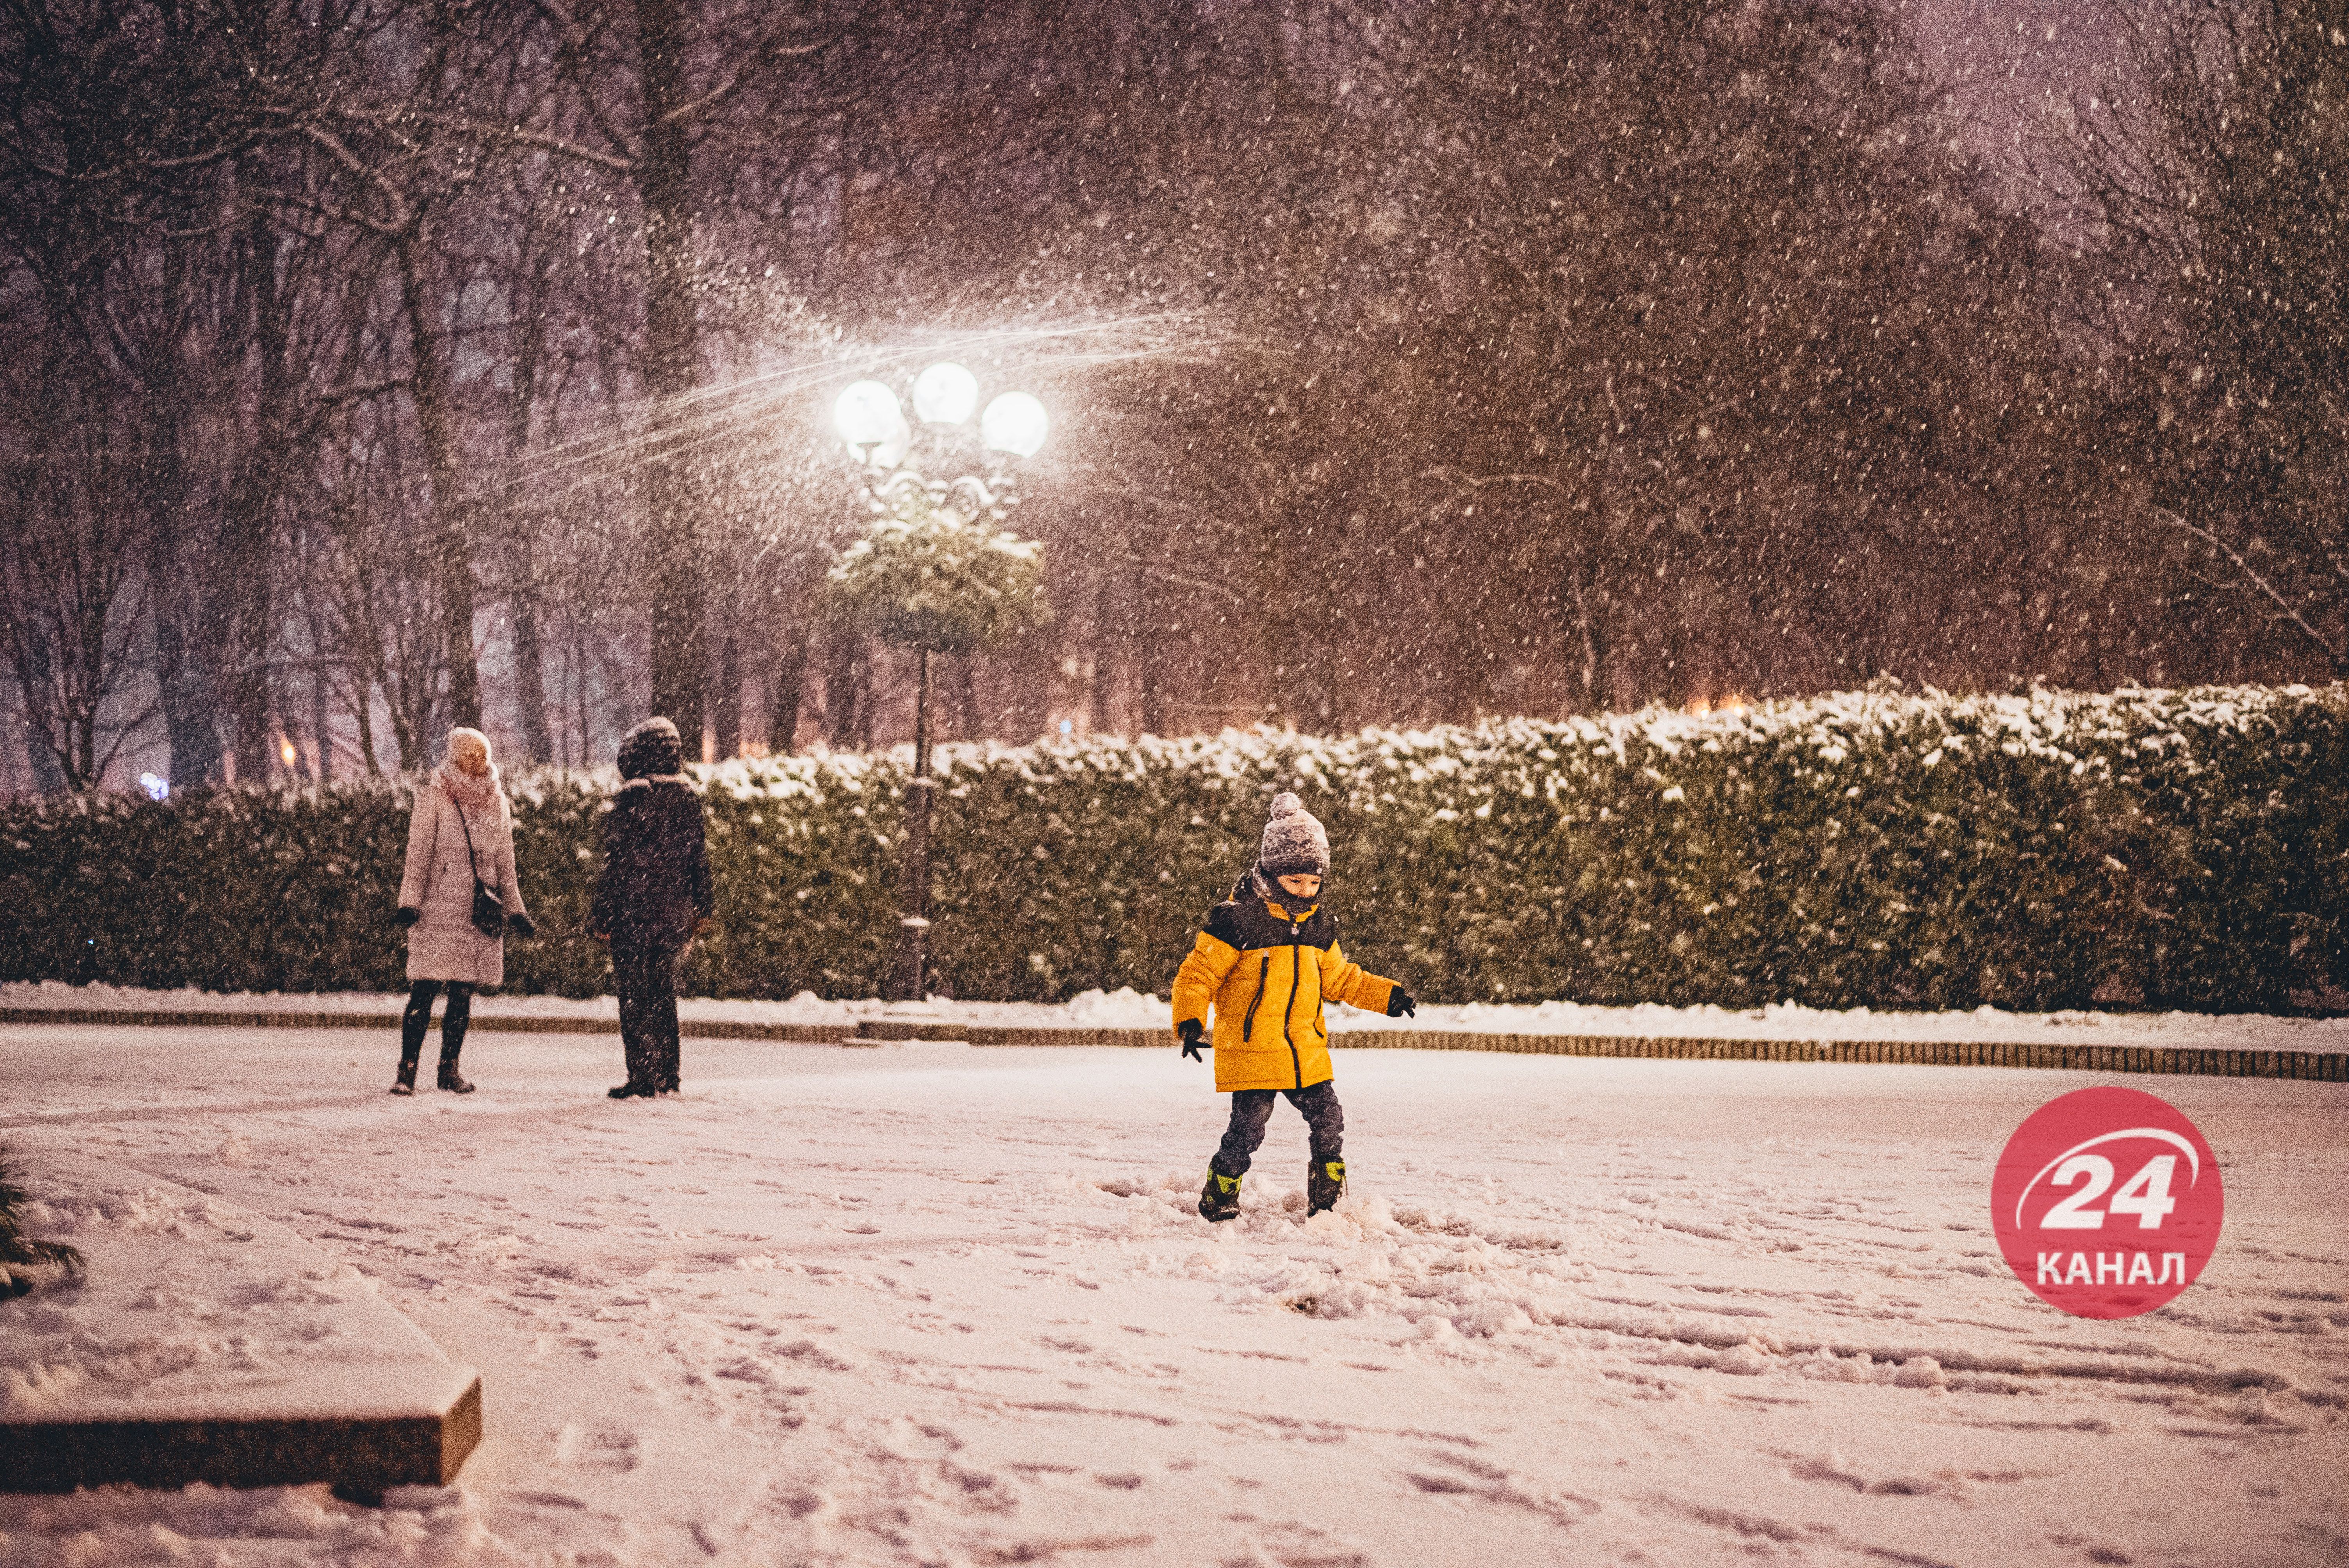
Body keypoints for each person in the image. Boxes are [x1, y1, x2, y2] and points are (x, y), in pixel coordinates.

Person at [1170, 792, 1415, 1222]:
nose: (1306, 890)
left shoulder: (1320, 924)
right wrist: (1190, 1020)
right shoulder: (1237, 920)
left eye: (1314, 882)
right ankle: (1219, 1192)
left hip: (1305, 1049)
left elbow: (1341, 978)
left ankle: (1327, 1198)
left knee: (1329, 1120)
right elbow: (1198, 974)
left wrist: (1386, 995)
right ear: (1271, 871)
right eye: (1295, 881)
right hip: (1254, 1049)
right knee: (1247, 1130)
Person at [392, 727, 535, 1094]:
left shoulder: (497, 801)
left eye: (482, 753)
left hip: (475, 913)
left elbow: (506, 861)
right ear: (455, 755)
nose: (477, 760)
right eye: (469, 753)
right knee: (423, 991)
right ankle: (406, 1073)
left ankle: (448, 1070)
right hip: (436, 910)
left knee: (461, 995)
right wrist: (409, 901)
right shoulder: (435, 796)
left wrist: (516, 909)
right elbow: (418, 854)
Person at [590, 718, 713, 1099]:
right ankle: (668, 1073)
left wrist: (602, 912)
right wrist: (703, 905)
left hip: (634, 910)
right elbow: (698, 858)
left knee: (634, 994)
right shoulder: (687, 798)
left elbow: (618, 862)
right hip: (672, 911)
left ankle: (642, 1074)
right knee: (662, 991)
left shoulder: (632, 798)